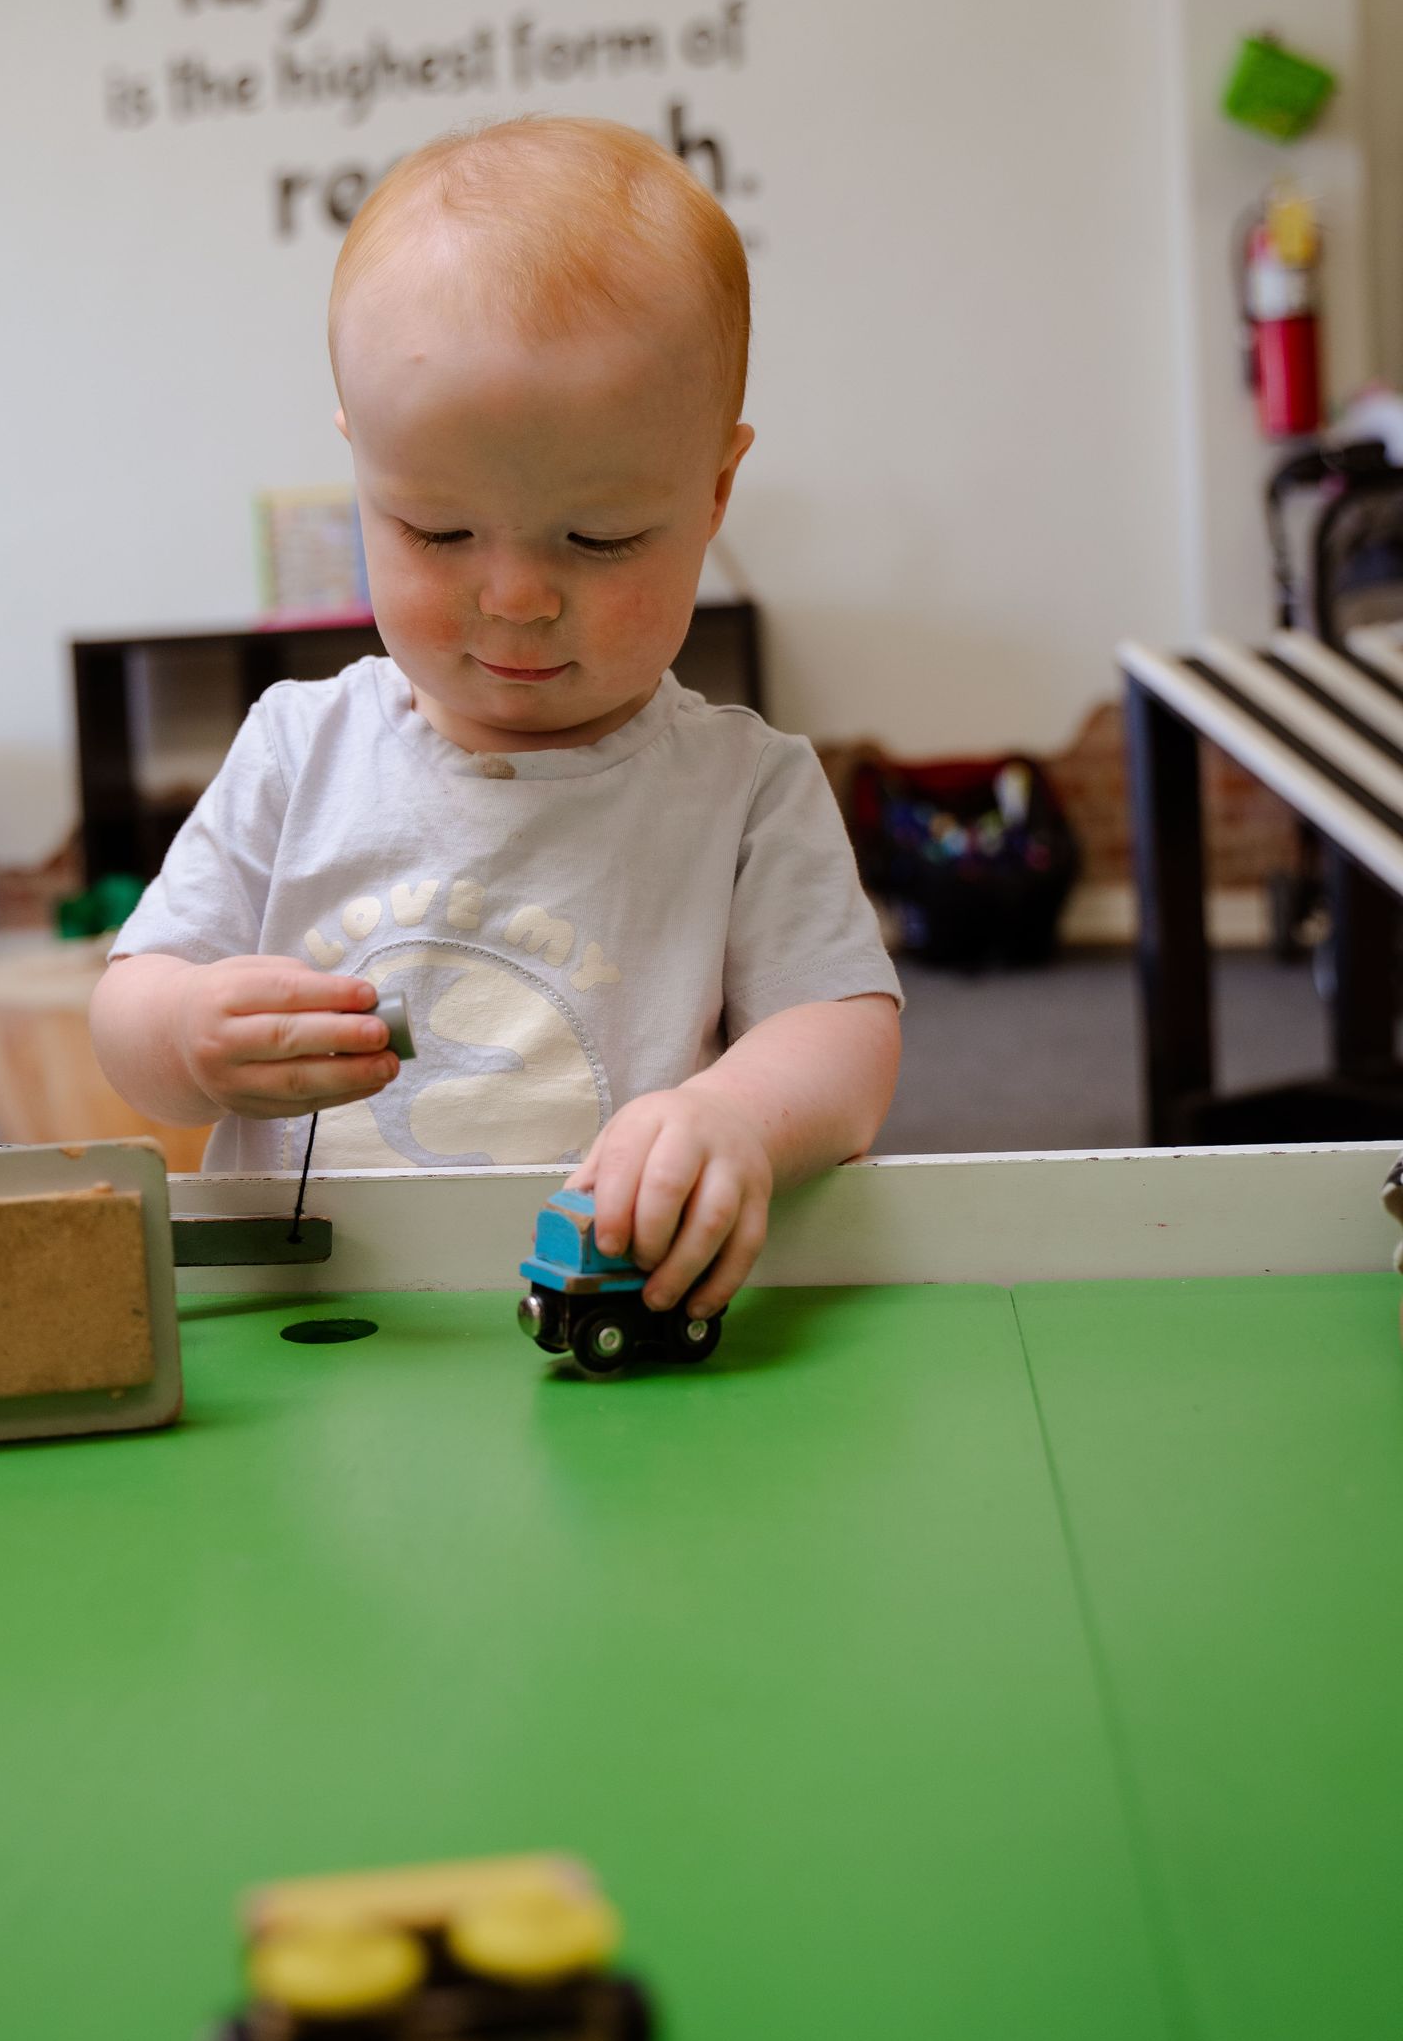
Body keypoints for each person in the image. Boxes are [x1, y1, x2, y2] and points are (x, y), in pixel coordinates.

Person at [91, 115, 900, 1317]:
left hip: (607, 1303)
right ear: (361, 468)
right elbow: (128, 1010)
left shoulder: (742, 785)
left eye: (601, 537)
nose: (516, 596)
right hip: (312, 1326)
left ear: (715, 488)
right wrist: (185, 1034)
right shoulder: (295, 749)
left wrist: (735, 1112)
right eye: (438, 532)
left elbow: (845, 1037)